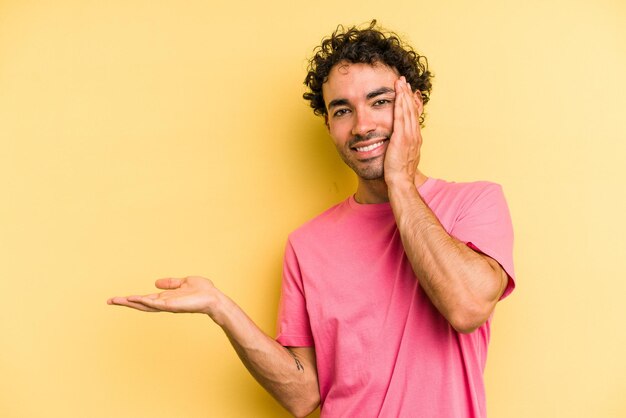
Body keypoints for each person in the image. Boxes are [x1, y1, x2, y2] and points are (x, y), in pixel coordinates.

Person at [108, 20, 515, 418]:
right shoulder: (307, 245)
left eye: (380, 101)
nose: (363, 125)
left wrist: (401, 182)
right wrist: (219, 307)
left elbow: (467, 307)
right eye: (342, 110)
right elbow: (303, 396)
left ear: (415, 103)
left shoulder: (473, 203)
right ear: (329, 124)